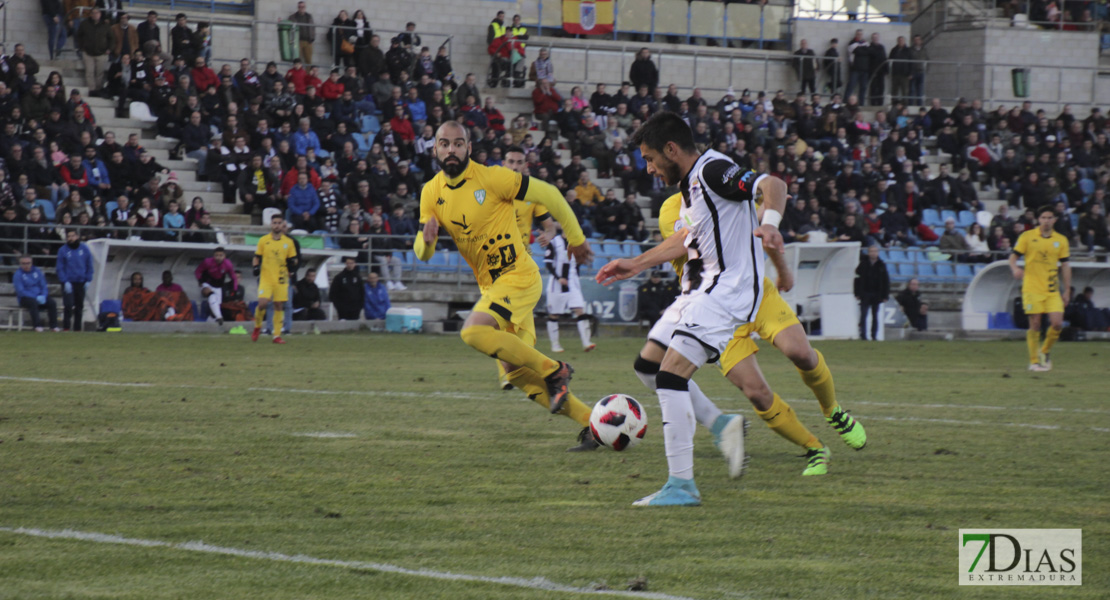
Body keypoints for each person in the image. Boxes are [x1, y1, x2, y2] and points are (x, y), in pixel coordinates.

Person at [595, 112, 819, 507]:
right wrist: (637, 263)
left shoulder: (714, 170)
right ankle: (720, 424)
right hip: (703, 291)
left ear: (671, 149)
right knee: (648, 367)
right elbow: (687, 238)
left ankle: (681, 486)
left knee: (670, 376)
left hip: (726, 293)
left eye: (650, 158)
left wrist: (770, 222)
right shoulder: (693, 186)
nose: (648, 168)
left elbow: (773, 184)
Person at [415, 121, 597, 451]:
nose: (451, 150)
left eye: (458, 143)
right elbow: (422, 252)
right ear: (435, 149)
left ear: (469, 148)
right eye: (444, 144)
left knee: (472, 332)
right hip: (493, 288)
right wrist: (426, 241)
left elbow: (550, 194)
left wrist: (576, 238)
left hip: (518, 276)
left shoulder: (493, 178)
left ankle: (556, 369)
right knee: (514, 371)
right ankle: (593, 425)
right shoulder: (431, 192)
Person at [1010, 205, 1071, 371]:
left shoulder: (1061, 240)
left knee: (1057, 324)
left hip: (1052, 290)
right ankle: (1034, 361)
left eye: (1049, 218)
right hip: (1032, 288)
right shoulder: (1027, 236)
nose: (1046, 221)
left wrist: (1067, 290)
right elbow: (1013, 257)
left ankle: (1044, 352)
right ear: (1038, 219)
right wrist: (1015, 268)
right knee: (1035, 324)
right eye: (1043, 218)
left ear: (1055, 220)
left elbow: (1065, 266)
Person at [544, 228, 594, 353]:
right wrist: (558, 277)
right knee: (554, 314)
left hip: (572, 281)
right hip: (557, 283)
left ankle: (586, 343)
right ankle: (555, 345)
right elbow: (548, 263)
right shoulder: (554, 242)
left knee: (579, 309)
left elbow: (578, 261)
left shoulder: (576, 243)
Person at [251, 214, 298, 343]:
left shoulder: (288, 242)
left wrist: (292, 269)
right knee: (263, 304)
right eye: (274, 223)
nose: (277, 225)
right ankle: (257, 326)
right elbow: (256, 257)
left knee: (279, 305)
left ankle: (276, 335)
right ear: (271, 225)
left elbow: (293, 259)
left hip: (281, 279)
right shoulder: (263, 240)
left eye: (279, 223)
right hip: (266, 278)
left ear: (283, 225)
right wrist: (255, 267)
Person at [56, 229, 95, 331]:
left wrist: (88, 279)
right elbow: (60, 268)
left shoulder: (85, 249)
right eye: (68, 236)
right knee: (68, 306)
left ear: (77, 236)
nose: (70, 238)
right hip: (68, 282)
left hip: (81, 282)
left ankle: (77, 329)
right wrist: (64, 281)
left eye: (72, 236)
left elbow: (89, 265)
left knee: (79, 306)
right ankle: (66, 327)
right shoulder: (63, 250)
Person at [75, 8, 115, 97]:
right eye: (93, 13)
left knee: (99, 73)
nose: (95, 15)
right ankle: (91, 90)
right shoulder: (84, 24)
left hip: (102, 53)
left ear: (100, 14)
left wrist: (109, 49)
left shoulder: (105, 25)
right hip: (88, 53)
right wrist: (82, 47)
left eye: (97, 13)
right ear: (90, 14)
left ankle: (98, 90)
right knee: (89, 72)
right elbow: (79, 36)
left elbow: (112, 38)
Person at [14, 255, 60, 332]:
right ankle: (37, 325)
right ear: (20, 264)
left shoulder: (37, 271)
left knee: (52, 303)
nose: (26, 265)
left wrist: (44, 295)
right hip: (25, 298)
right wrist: (35, 297)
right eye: (24, 263)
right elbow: (20, 291)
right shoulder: (18, 274)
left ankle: (54, 326)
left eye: (28, 263)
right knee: (33, 303)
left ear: (31, 263)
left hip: (40, 296)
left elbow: (43, 286)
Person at [854, 245, 890, 341]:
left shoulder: (881, 265)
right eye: (871, 251)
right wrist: (857, 293)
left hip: (876, 294)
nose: (873, 253)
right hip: (865, 293)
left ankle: (874, 335)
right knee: (863, 315)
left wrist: (885, 295)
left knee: (875, 316)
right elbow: (857, 279)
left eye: (875, 251)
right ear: (868, 252)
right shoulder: (863, 264)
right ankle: (863, 335)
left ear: (878, 253)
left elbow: (886, 281)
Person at [195, 246, 239, 325]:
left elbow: (234, 277)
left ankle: (209, 324)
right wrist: (200, 281)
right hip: (206, 283)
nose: (218, 257)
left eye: (220, 255)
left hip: (218, 286)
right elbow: (197, 271)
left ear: (224, 256)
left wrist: (235, 289)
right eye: (216, 255)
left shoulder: (228, 264)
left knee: (213, 312)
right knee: (211, 295)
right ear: (213, 255)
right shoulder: (207, 262)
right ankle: (219, 317)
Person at [329, 256, 364, 320]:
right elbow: (333, 293)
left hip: (355, 309)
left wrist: (360, 306)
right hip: (343, 309)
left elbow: (362, 292)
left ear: (354, 264)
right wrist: (338, 306)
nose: (350, 265)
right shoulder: (339, 277)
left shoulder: (358, 277)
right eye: (348, 263)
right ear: (345, 264)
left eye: (351, 263)